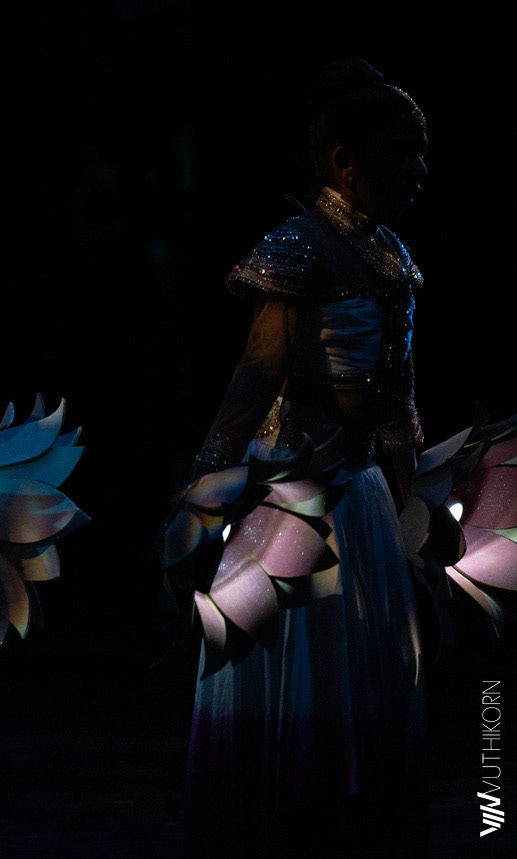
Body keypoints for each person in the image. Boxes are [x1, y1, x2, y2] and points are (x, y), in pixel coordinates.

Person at [185, 59, 430, 857]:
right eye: (403, 152)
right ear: (345, 162)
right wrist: (206, 483)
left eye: (422, 152)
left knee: (357, 679)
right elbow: (257, 372)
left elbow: (398, 400)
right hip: (291, 496)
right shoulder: (299, 246)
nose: (419, 169)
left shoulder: (392, 256)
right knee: (302, 682)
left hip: (360, 502)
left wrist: (412, 499)